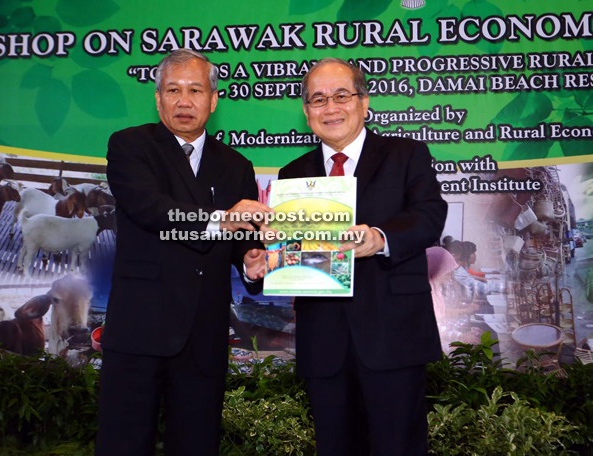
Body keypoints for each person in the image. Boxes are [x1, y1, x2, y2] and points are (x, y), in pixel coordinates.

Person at [95, 49, 269, 456]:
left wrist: (250, 260)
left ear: (214, 99)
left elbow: (241, 237)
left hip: (203, 332)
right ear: (158, 99)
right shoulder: (130, 146)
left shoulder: (236, 164)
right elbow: (150, 209)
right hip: (140, 325)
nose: (184, 100)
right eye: (173, 90)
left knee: (196, 442)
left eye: (195, 89)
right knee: (124, 442)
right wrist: (222, 219)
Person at [275, 58, 447, 455]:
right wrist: (267, 260)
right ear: (306, 111)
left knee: (398, 446)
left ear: (364, 102)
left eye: (341, 96)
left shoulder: (407, 154)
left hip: (393, 335)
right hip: (325, 342)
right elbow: (296, 255)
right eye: (318, 99)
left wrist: (381, 237)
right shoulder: (292, 174)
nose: (330, 108)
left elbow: (428, 215)